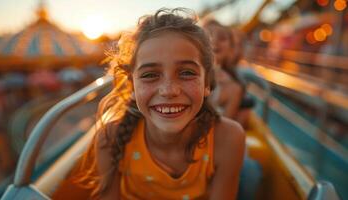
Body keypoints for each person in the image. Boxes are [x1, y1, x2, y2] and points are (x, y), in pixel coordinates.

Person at [59, 8, 245, 200]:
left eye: (187, 73)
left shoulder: (228, 139)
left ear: (207, 83)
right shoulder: (110, 139)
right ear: (132, 85)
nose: (169, 90)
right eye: (150, 75)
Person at [203, 20, 254, 129]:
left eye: (222, 38)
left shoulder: (235, 88)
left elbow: (224, 129)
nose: (214, 40)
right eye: (208, 35)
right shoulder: (183, 74)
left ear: (231, 49)